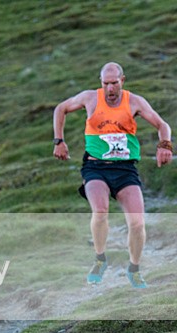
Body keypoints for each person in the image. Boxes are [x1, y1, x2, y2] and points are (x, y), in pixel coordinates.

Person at [53, 62, 172, 288]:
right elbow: (61, 108)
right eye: (105, 83)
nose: (109, 89)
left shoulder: (134, 101)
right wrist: (59, 140)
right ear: (101, 82)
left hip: (125, 169)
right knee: (100, 210)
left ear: (122, 81)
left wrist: (165, 144)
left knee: (137, 223)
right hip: (95, 167)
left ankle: (134, 269)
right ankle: (100, 259)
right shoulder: (90, 98)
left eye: (114, 83)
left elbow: (162, 124)